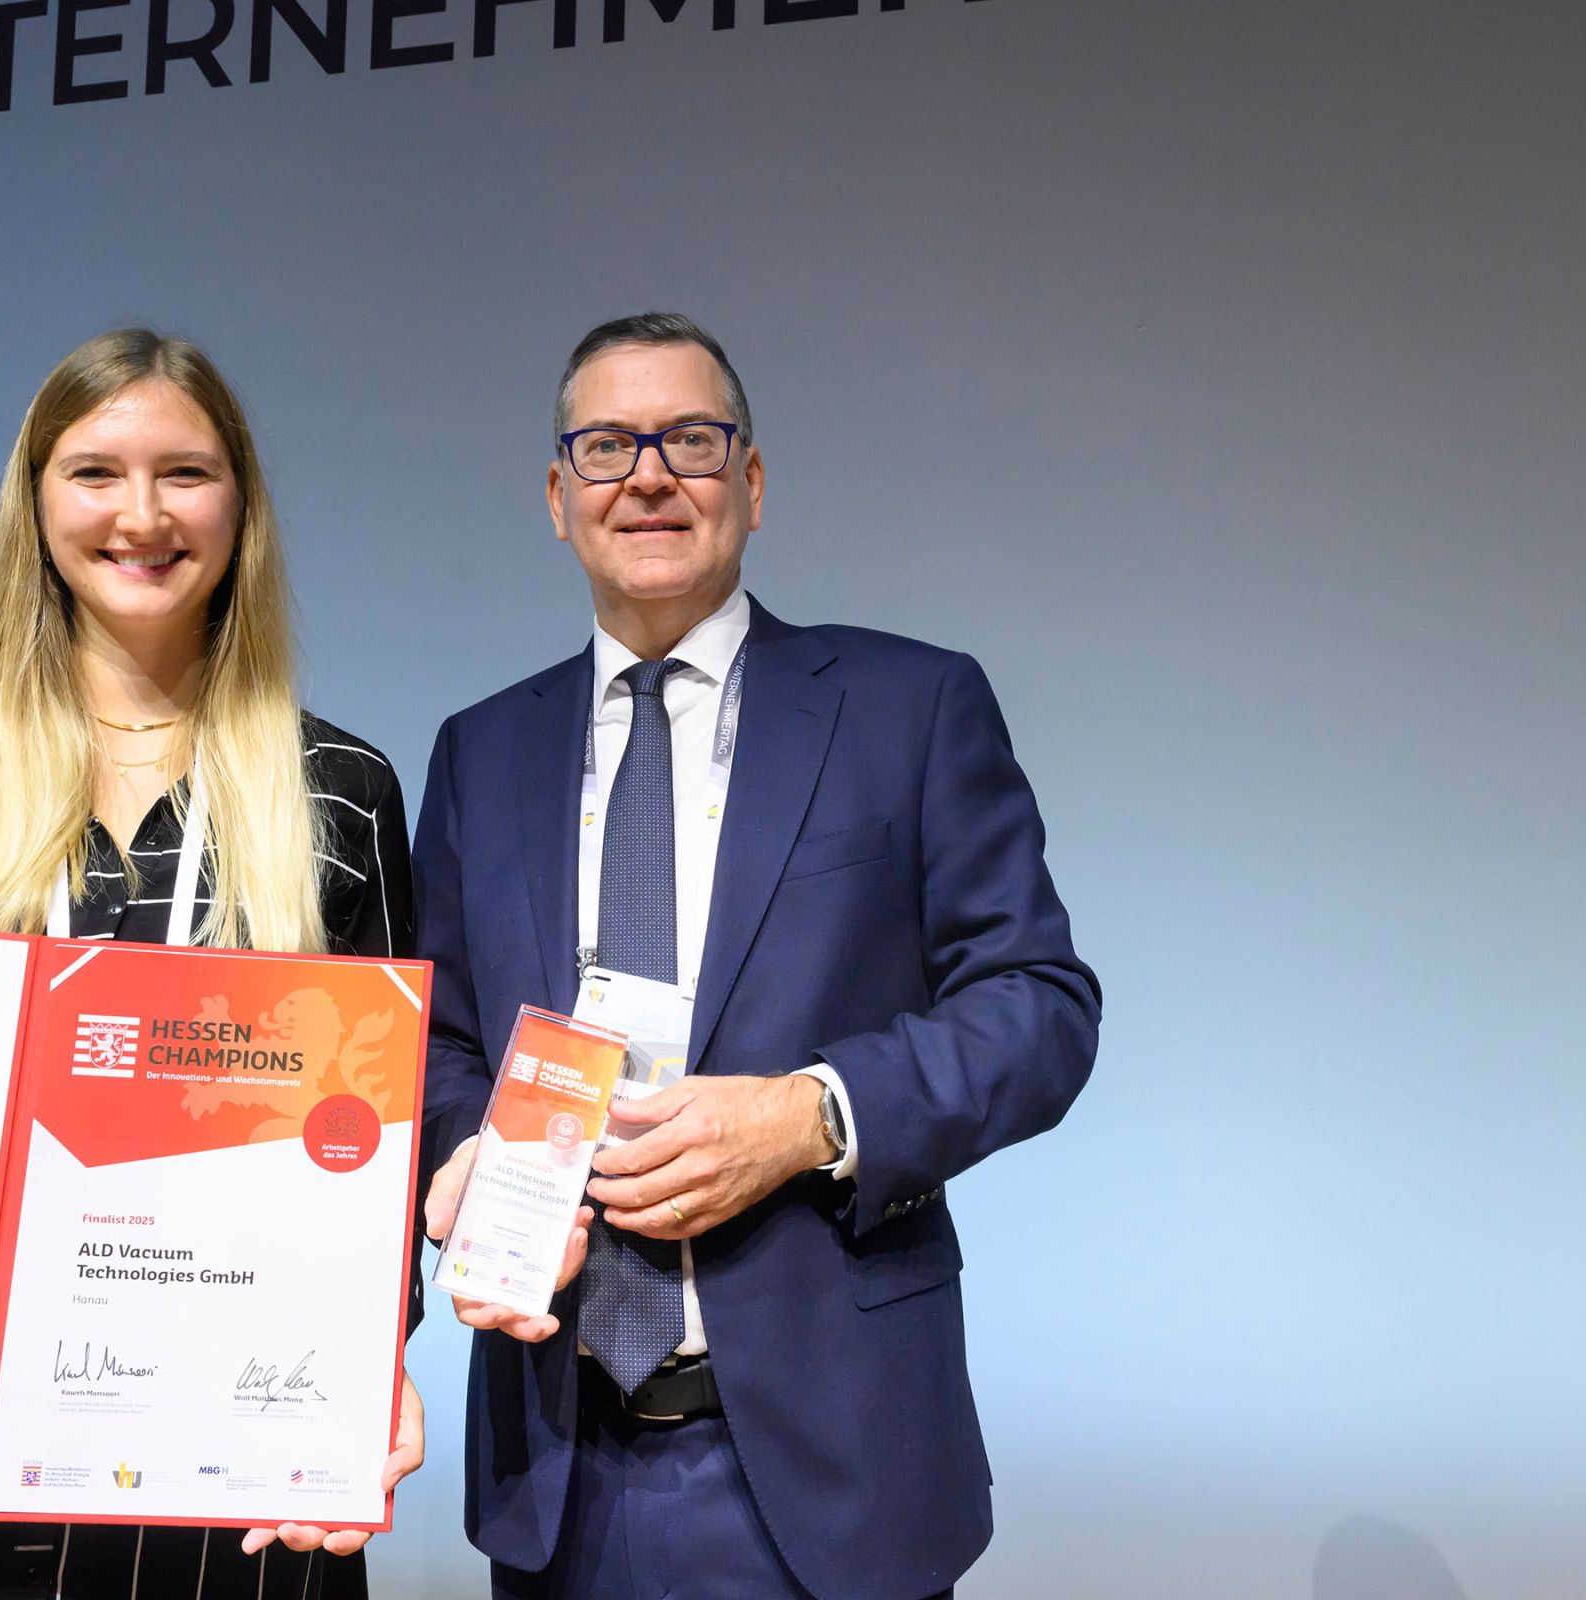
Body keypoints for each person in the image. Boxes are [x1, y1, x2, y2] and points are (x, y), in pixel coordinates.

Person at [415, 313, 1101, 1600]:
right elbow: (444, 1040)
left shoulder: (909, 706)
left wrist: (811, 1113)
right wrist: (471, 1159)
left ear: (755, 482)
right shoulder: (479, 751)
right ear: (559, 500)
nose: (651, 474)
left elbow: (1042, 1007)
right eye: (608, 446)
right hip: (556, 1469)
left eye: (692, 437)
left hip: (832, 1476)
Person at [0, 328, 422, 1600]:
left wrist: (358, 1355)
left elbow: (372, 1144)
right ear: (35, 500)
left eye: (185, 471)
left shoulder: (338, 788)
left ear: (240, 504)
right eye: (95, 471)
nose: (142, 514)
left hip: (226, 1499)